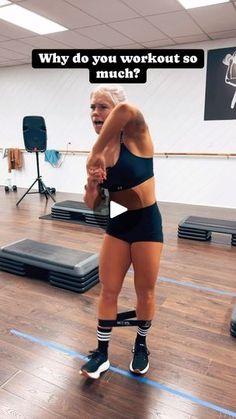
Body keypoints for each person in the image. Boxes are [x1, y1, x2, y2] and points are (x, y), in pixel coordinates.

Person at [80, 84, 163, 379]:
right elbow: (93, 204)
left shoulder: (136, 136)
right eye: (92, 107)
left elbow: (128, 110)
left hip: (146, 224)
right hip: (118, 223)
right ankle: (101, 354)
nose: (95, 113)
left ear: (114, 109)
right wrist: (93, 183)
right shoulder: (100, 155)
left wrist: (94, 152)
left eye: (102, 106)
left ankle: (141, 346)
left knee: (145, 290)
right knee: (109, 288)